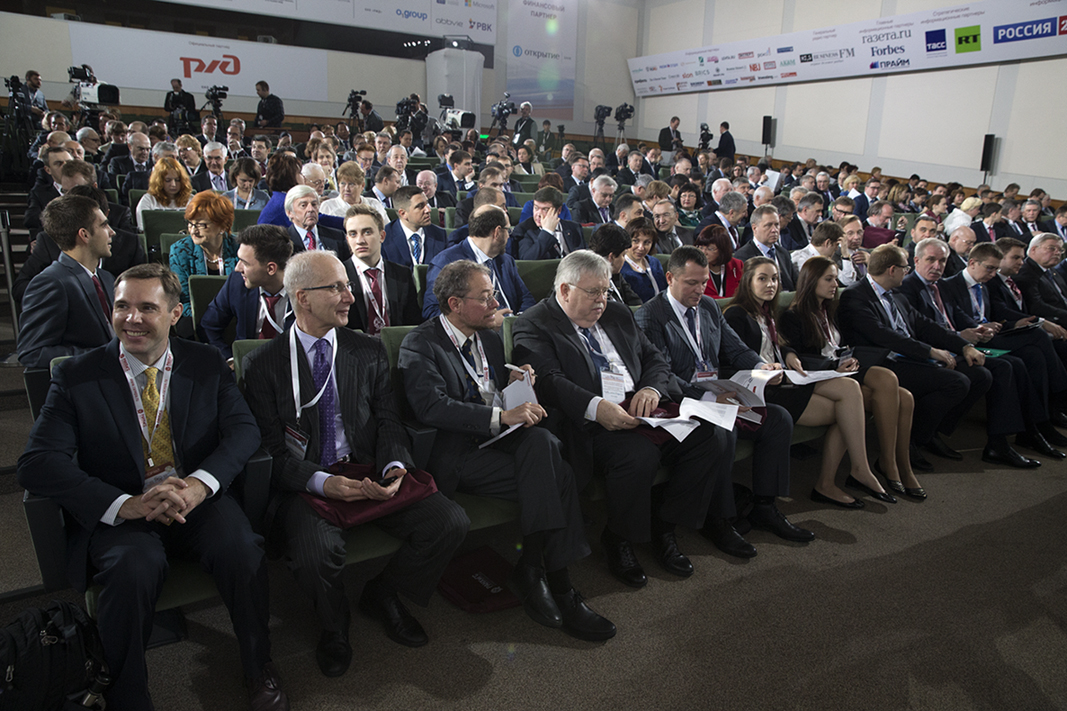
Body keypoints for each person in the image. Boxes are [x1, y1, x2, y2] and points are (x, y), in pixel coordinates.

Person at [18, 263, 288, 711]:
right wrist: (123, 504)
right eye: (122, 306)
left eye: (147, 307)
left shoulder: (205, 362)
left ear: (175, 313)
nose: (132, 318)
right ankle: (127, 694)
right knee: (133, 566)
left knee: (242, 550)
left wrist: (199, 485)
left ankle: (258, 664)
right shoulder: (77, 375)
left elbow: (243, 431)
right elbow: (37, 463)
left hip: (192, 497)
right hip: (124, 506)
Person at [241, 250, 469, 676]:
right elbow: (271, 452)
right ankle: (333, 625)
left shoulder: (367, 350)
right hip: (309, 482)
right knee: (316, 555)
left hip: (367, 470)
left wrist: (395, 465)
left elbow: (388, 420)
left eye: (348, 285)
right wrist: (321, 482)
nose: (350, 296)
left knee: (449, 522)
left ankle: (385, 592)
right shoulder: (263, 365)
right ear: (303, 298)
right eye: (337, 288)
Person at [399, 260, 616, 640]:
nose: (495, 304)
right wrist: (501, 415)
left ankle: (537, 569)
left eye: (493, 294)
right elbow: (431, 407)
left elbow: (489, 387)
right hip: (458, 454)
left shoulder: (487, 337)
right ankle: (556, 583)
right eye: (485, 298)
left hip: (500, 442)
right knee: (559, 474)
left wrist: (516, 380)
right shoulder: (420, 343)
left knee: (544, 444)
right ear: (454, 304)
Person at [512, 250, 734, 585]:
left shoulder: (616, 313)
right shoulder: (534, 322)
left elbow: (655, 359)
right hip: (588, 422)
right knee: (637, 455)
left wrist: (650, 389)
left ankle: (664, 527)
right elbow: (548, 381)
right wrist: (596, 406)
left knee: (711, 437)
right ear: (565, 290)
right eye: (593, 292)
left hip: (644, 410)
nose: (601, 300)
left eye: (606, 291)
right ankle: (619, 538)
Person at [636, 246, 816, 555]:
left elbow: (735, 349)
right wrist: (709, 396)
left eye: (704, 282)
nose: (699, 289)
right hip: (682, 400)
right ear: (670, 278)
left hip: (718, 393)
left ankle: (764, 506)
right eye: (691, 283)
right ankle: (718, 519)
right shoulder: (650, 314)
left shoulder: (708, 305)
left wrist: (761, 367)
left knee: (778, 419)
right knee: (723, 431)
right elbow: (662, 374)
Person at [836, 244, 1032, 469]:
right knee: (957, 382)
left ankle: (929, 432)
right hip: (882, 363)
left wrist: (964, 346)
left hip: (908, 356)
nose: (907, 272)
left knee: (981, 375)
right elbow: (884, 336)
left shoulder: (895, 293)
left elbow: (925, 325)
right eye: (905, 268)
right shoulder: (855, 295)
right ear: (892, 270)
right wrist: (930, 351)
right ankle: (912, 440)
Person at [723, 257, 895, 507]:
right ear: (747, 281)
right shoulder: (736, 314)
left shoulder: (765, 311)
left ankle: (848, 475)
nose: (771, 284)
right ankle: (845, 476)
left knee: (849, 390)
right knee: (847, 409)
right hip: (764, 389)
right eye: (762, 278)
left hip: (784, 379)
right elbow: (735, 359)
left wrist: (789, 353)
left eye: (774, 279)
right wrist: (766, 370)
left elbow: (775, 346)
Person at [779, 257, 924, 498]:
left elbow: (839, 346)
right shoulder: (793, 316)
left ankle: (899, 464)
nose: (835, 284)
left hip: (840, 370)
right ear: (811, 281)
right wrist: (835, 366)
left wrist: (850, 358)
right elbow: (799, 358)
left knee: (903, 396)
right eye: (829, 279)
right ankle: (880, 466)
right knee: (879, 387)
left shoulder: (829, 310)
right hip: (819, 376)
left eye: (835, 279)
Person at [17, 195, 116, 368]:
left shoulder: (106, 277)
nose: (112, 232)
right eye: (104, 225)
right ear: (84, 234)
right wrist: (103, 356)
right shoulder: (50, 282)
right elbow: (32, 353)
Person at [200, 224, 295, 363]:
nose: (237, 268)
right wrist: (230, 359)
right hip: (246, 365)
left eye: (245, 263)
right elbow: (208, 325)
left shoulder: (305, 291)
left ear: (271, 269)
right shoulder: (236, 282)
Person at [423, 205, 534, 320]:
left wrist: (519, 321)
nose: (508, 236)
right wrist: (486, 320)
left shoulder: (506, 260)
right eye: (508, 230)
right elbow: (432, 311)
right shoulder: (446, 262)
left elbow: (526, 298)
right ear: (497, 232)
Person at [341, 203, 421, 335]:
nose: (360, 241)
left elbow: (413, 323)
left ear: (382, 236)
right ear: (347, 239)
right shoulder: (339, 276)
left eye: (367, 232)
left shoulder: (402, 274)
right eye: (353, 234)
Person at [170, 191, 240, 320]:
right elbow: (183, 300)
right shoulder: (180, 251)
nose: (193, 230)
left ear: (222, 226)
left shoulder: (240, 248)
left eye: (201, 225)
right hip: (195, 318)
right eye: (191, 223)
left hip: (235, 316)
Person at [733, 205, 800, 291]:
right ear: (754, 228)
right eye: (768, 225)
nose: (774, 230)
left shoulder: (783, 253)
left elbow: (796, 284)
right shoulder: (743, 256)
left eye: (777, 225)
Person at [381, 185, 449, 268]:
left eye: (427, 204)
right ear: (403, 213)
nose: (428, 210)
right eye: (420, 206)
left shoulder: (440, 234)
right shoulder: (384, 239)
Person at [510, 186, 586, 260]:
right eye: (536, 208)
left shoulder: (574, 228)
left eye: (545, 209)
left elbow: (584, 259)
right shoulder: (524, 230)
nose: (538, 214)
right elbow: (527, 260)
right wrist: (547, 232)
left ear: (559, 210)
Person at [283, 185, 349, 259]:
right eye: (303, 205)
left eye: (314, 204)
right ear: (289, 212)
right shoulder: (283, 241)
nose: (311, 209)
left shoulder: (337, 236)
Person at [588, 223, 642, 306]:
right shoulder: (591, 283)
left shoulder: (615, 275)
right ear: (611, 257)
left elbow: (635, 302)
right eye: (623, 255)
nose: (624, 260)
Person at [319, 161, 388, 224]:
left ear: (362, 185)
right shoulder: (328, 207)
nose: (346, 189)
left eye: (351, 184)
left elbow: (388, 229)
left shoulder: (374, 204)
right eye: (343, 183)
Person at [135, 156, 192, 230]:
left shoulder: (192, 200)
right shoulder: (148, 200)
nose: (173, 184)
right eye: (168, 180)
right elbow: (142, 229)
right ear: (159, 181)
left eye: (177, 180)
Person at [621, 218, 667, 303]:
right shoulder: (620, 267)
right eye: (635, 241)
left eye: (647, 242)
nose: (641, 248)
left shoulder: (655, 262)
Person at [694, 224, 743, 299]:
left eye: (710, 249)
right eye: (700, 247)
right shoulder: (694, 268)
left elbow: (744, 292)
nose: (703, 252)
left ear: (722, 250)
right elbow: (698, 296)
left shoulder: (737, 265)